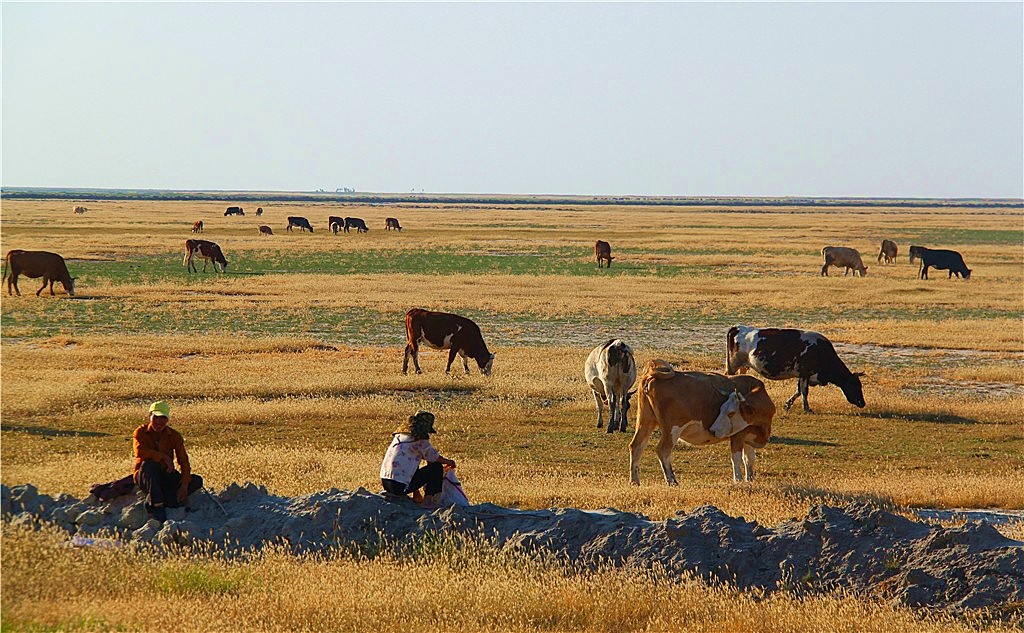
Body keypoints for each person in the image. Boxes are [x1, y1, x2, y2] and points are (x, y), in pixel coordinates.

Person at [133, 401, 203, 522]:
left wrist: (185, 485)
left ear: (168, 419)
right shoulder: (140, 432)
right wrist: (163, 457)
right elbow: (140, 452)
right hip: (146, 476)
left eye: (163, 418)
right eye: (156, 417)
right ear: (150, 416)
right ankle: (158, 506)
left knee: (196, 480)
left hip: (165, 475)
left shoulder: (174, 436)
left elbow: (184, 461)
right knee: (149, 464)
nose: (159, 422)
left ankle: (158, 499)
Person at [380, 410, 456, 509]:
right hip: (399, 486)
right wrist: (449, 462)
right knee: (436, 468)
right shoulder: (419, 440)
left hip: (386, 482)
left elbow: (425, 459)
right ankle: (428, 501)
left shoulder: (400, 436)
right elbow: (434, 457)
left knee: (412, 463)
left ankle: (417, 495)